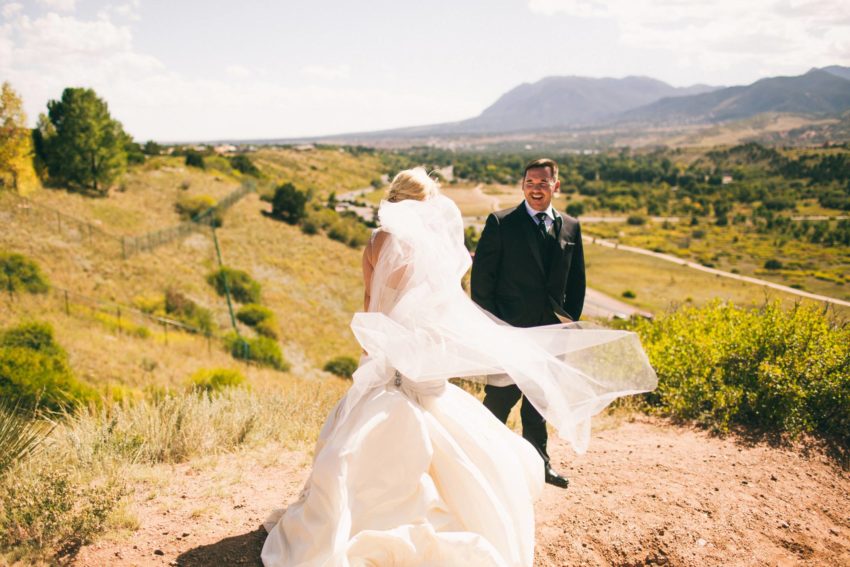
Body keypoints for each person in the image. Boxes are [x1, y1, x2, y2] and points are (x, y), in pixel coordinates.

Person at [261, 168, 656, 567]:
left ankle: (348, 513)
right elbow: (443, 308)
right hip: (418, 352)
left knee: (354, 436)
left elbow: (370, 300)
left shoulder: (376, 242)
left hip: (386, 350)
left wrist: (375, 350)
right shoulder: (432, 249)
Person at [471, 158, 584, 490]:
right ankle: (478, 464)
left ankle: (540, 466)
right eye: (531, 183)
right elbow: (482, 283)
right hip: (509, 333)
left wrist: (567, 325)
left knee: (539, 404)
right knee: (499, 402)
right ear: (523, 185)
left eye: (544, 183)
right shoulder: (501, 222)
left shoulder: (570, 227)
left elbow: (577, 282)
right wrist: (494, 329)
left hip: (552, 334)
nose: (537, 189)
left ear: (556, 186)